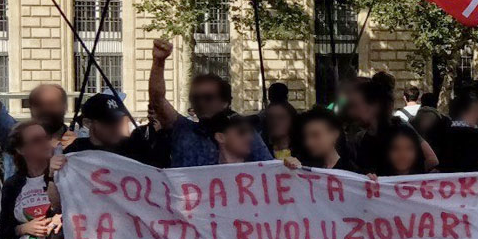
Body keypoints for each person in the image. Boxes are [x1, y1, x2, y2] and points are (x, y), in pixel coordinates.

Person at [148, 39, 271, 168]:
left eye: (208, 98)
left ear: (225, 102)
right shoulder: (183, 130)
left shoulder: (244, 135)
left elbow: (269, 170)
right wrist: (158, 62)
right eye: (195, 98)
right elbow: (158, 100)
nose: (201, 103)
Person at [429, 93, 478, 174]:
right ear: (468, 111)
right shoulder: (476, 136)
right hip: (470, 179)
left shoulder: (439, 133)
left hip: (445, 180)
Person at [292, 108, 357, 172]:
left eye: (315, 135)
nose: (308, 143)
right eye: (305, 137)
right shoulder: (305, 166)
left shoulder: (351, 172)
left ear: (334, 134)